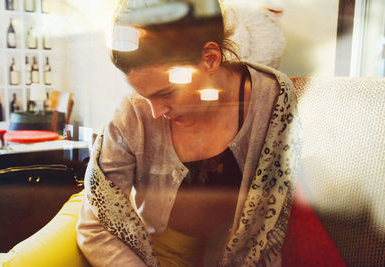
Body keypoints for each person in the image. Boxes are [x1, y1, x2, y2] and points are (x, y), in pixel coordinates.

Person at [76, 0, 299, 266]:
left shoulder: (273, 101)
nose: (156, 112)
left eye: (166, 93)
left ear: (210, 59)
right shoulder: (132, 113)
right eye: (142, 95)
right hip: (147, 255)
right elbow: (95, 224)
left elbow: (270, 224)